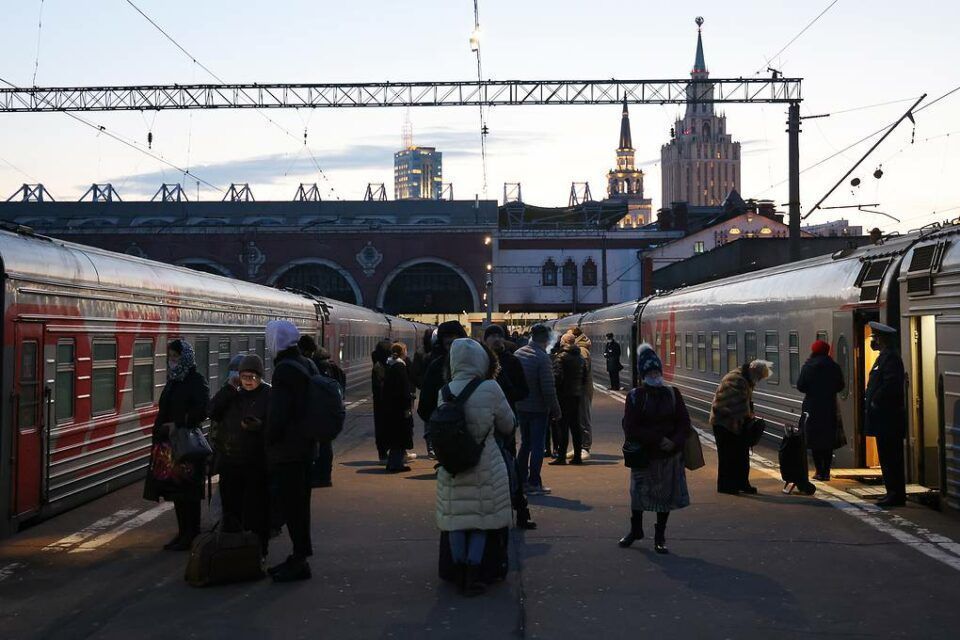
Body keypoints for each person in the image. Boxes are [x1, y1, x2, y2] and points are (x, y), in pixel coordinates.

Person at [435, 338, 515, 596]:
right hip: (485, 463)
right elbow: (508, 424)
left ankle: (458, 571)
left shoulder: (444, 391)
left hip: (452, 465)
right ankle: (474, 572)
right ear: (482, 359)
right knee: (481, 520)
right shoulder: (490, 388)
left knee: (456, 521)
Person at [619, 344, 690, 554]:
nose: (654, 375)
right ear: (643, 375)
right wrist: (659, 439)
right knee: (638, 495)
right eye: (650, 372)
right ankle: (636, 530)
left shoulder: (673, 393)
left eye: (656, 371)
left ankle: (660, 536)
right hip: (645, 455)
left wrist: (674, 441)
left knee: (665, 498)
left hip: (669, 455)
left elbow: (684, 423)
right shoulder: (635, 396)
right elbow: (630, 427)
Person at [265, 320, 320, 582]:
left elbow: (279, 414)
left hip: (290, 451)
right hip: (306, 447)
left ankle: (299, 560)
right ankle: (300, 556)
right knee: (300, 505)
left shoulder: (284, 370)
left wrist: (268, 438)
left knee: (292, 506)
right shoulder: (306, 363)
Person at [147, 339, 209, 551]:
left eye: (176, 356)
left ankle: (192, 533)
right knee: (176, 491)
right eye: (171, 357)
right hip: (171, 444)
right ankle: (183, 532)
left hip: (187, 445)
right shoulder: (173, 380)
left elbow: (203, 410)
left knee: (188, 491)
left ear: (186, 358)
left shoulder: (196, 381)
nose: (172, 360)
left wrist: (179, 423)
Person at [208, 354, 271, 556]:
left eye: (252, 377)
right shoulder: (233, 394)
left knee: (256, 512)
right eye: (244, 377)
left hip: (257, 464)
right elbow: (212, 411)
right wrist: (228, 388)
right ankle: (233, 552)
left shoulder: (269, 395)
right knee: (231, 511)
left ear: (260, 376)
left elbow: (279, 426)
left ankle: (258, 552)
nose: (248, 381)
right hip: (231, 462)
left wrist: (260, 427)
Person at [484, 324, 536, 530]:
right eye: (492, 335)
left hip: (506, 421)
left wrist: (505, 394)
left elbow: (523, 391)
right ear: (485, 340)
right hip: (483, 421)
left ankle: (521, 512)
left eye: (499, 335)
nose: (496, 339)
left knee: (510, 466)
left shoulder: (512, 362)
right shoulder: (481, 362)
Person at [709, 360, 772, 495]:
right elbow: (738, 405)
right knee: (727, 456)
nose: (759, 380)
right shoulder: (737, 380)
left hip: (734, 423)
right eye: (759, 377)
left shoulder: (745, 378)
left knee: (741, 455)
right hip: (723, 423)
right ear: (754, 372)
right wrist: (749, 417)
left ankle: (742, 483)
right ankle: (726, 486)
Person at [515, 324, 562, 495]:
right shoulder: (542, 358)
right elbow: (548, 389)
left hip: (521, 407)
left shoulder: (518, 354)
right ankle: (534, 482)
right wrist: (556, 410)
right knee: (537, 446)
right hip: (538, 409)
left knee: (525, 444)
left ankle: (521, 481)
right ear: (547, 339)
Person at [865, 321, 907, 508]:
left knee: (891, 458)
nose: (873, 341)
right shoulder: (884, 358)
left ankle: (896, 495)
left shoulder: (891, 359)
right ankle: (891, 492)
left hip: (889, 419)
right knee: (886, 457)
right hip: (883, 419)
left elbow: (891, 384)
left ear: (883, 339)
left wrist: (876, 400)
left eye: (875, 337)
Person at [298, 335, 344, 488]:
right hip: (328, 411)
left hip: (318, 410)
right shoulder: (329, 364)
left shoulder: (314, 365)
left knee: (319, 446)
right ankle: (324, 476)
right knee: (325, 445)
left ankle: (320, 476)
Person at [797, 340, 845, 481]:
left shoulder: (808, 366)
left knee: (814, 440)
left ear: (814, 351)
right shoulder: (834, 366)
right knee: (828, 440)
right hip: (829, 406)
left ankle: (819, 471)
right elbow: (841, 385)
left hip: (812, 407)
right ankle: (826, 472)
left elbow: (800, 386)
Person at [418, 321, 468, 457]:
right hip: (458, 427)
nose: (450, 341)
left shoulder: (435, 365)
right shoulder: (476, 362)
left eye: (453, 336)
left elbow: (424, 405)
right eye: (447, 337)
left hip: (450, 427)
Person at [550, 333, 589, 466]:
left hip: (563, 396)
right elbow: (584, 377)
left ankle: (561, 456)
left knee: (562, 427)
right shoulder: (580, 358)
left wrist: (556, 390)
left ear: (564, 342)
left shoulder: (560, 357)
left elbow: (557, 377)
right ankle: (577, 456)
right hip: (576, 396)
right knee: (575, 426)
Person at [383, 342, 416, 473]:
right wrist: (408, 405)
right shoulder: (400, 367)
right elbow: (404, 389)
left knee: (395, 437)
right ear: (403, 352)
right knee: (401, 436)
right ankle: (396, 464)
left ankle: (393, 463)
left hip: (391, 408)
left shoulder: (390, 365)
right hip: (400, 409)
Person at [572, 328, 594, 461]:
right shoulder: (580, 349)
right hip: (581, 389)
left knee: (583, 418)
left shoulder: (582, 351)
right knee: (580, 418)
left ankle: (585, 446)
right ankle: (580, 445)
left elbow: (582, 373)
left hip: (582, 390)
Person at [371, 340, 392, 462]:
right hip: (383, 402)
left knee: (381, 427)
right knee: (384, 428)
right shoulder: (381, 367)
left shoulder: (377, 364)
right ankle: (384, 454)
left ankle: (384, 453)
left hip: (379, 403)